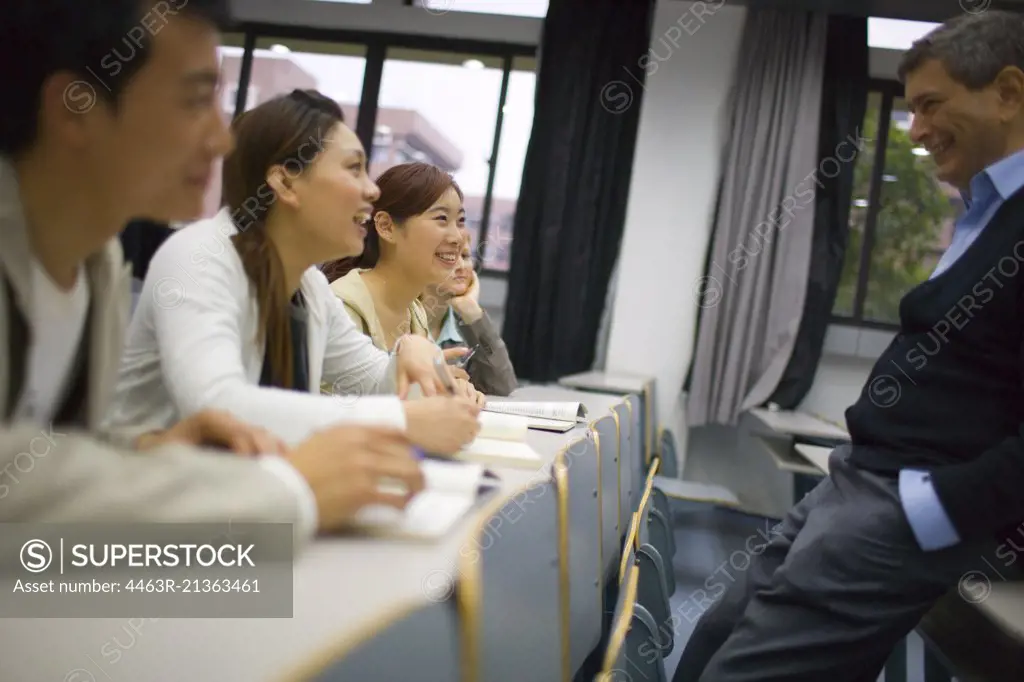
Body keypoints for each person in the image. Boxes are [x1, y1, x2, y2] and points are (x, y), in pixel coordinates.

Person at [673, 11, 1024, 682]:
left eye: (930, 107)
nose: (915, 130)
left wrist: (932, 508)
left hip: (904, 501)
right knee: (713, 636)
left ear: (1007, 93)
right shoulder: (985, 212)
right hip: (860, 478)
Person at [0, 0, 425, 543]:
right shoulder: (196, 254)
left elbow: (55, 460)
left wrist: (147, 449)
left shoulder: (97, 264)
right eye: (196, 101)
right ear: (76, 109)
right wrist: (289, 491)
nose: (222, 140)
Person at [106, 89, 482, 453]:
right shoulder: (199, 257)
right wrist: (399, 418)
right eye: (354, 169)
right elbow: (219, 408)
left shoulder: (309, 285)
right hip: (152, 503)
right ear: (285, 182)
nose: (371, 190)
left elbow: (370, 381)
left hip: (240, 492)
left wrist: (410, 356)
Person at [323, 161, 486, 404]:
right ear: (387, 227)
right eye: (442, 218)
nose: (457, 238)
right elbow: (343, 405)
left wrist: (454, 384)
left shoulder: (415, 311)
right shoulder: (342, 305)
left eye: (460, 221)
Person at [420, 236, 517, 396]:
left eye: (465, 256)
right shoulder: (396, 318)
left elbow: (502, 386)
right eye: (448, 257)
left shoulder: (467, 326)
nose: (461, 266)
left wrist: (472, 313)